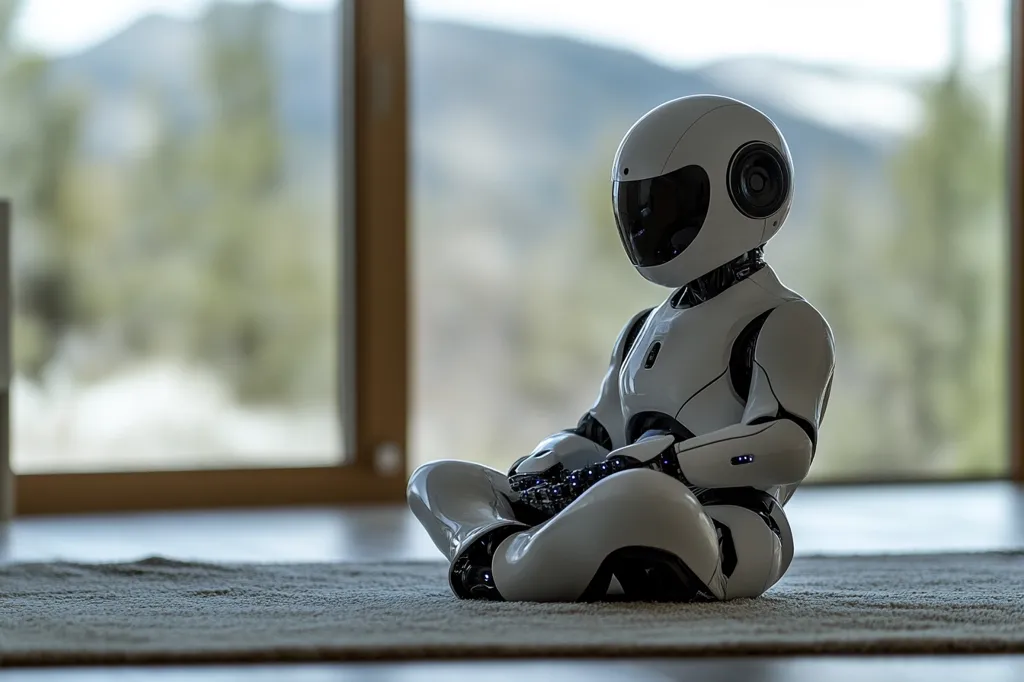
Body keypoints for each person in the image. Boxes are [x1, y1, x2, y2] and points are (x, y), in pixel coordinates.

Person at [408, 94, 836, 602]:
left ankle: (507, 565)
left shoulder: (784, 321)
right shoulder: (643, 327)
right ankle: (527, 549)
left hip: (725, 525)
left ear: (753, 187)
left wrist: (670, 464)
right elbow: (601, 430)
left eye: (667, 202)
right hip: (616, 499)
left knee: (639, 496)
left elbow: (786, 448)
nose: (645, 224)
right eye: (637, 204)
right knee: (436, 480)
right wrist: (551, 458)